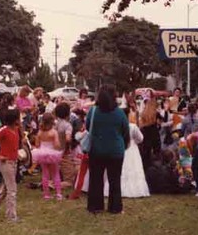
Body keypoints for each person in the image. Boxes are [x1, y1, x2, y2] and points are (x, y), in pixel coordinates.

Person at [86, 84, 130, 214]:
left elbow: (89, 127)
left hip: (96, 150)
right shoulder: (120, 113)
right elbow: (125, 131)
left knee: (95, 179)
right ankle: (115, 207)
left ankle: (95, 206)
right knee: (115, 180)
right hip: (116, 151)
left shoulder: (93, 111)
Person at [104, 108, 150, 198]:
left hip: (119, 148)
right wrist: (134, 141)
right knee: (133, 167)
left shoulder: (116, 126)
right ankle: (135, 189)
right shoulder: (132, 126)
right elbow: (140, 138)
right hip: (132, 148)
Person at [0, 109, 21, 223]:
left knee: (7, 186)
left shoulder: (16, 130)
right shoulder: (4, 130)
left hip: (13, 161)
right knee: (12, 189)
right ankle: (11, 215)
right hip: (6, 162)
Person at [32, 113, 63, 200]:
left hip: (42, 153)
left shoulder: (40, 132)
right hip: (52, 153)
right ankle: (58, 193)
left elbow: (37, 145)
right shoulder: (53, 132)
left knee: (45, 174)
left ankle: (46, 194)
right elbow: (57, 144)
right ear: (52, 122)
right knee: (55, 173)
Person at [54, 102, 76, 188]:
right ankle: (52, 185)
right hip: (64, 154)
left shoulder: (54, 124)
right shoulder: (67, 126)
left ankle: (48, 182)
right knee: (69, 181)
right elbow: (67, 138)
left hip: (53, 152)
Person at [139, 95, 161, 169]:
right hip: (154, 134)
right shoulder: (156, 113)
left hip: (145, 135)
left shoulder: (143, 113)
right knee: (156, 152)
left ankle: (146, 168)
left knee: (146, 153)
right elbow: (162, 120)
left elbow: (141, 124)